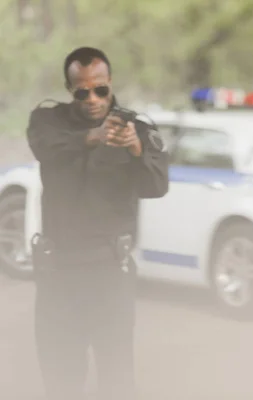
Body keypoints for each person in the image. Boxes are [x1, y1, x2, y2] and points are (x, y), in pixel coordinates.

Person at [26, 47, 169, 400]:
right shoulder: (49, 121)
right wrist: (92, 137)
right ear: (69, 88)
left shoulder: (137, 126)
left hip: (110, 270)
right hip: (58, 271)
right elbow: (44, 147)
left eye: (100, 89)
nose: (92, 98)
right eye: (82, 91)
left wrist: (135, 150)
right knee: (60, 376)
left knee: (117, 379)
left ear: (110, 84)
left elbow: (157, 186)